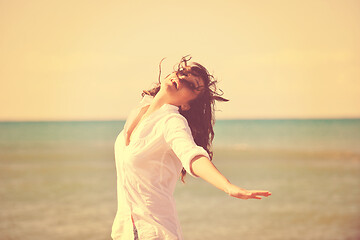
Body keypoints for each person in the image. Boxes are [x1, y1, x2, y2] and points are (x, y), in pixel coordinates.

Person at [111, 56, 271, 240]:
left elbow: (192, 155)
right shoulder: (139, 111)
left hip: (154, 232)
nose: (182, 78)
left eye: (192, 84)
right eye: (183, 72)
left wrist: (227, 186)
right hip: (124, 232)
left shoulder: (172, 122)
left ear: (187, 104)